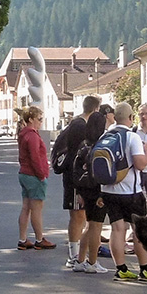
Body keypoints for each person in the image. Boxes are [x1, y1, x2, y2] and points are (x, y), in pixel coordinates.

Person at [100, 102, 147, 282]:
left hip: (109, 190)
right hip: (130, 191)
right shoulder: (131, 137)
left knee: (117, 229)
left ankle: (121, 269)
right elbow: (141, 165)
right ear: (131, 118)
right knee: (139, 230)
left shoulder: (105, 135)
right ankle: (145, 268)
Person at [62, 96, 101, 268]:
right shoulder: (80, 126)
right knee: (77, 215)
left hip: (74, 176)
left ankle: (77, 254)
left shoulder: (76, 122)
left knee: (80, 215)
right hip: (75, 177)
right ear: (95, 109)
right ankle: (73, 255)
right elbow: (79, 154)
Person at [71, 110, 110, 274]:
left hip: (84, 188)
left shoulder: (83, 145)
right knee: (96, 226)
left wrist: (79, 191)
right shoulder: (100, 145)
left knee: (89, 225)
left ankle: (80, 260)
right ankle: (92, 262)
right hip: (97, 189)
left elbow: (76, 169)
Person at [16, 106, 55, 250]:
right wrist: (42, 175)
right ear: (30, 119)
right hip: (33, 175)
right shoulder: (32, 135)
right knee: (36, 209)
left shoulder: (23, 133)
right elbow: (35, 158)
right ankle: (39, 239)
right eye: (39, 119)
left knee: (26, 207)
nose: (41, 122)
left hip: (24, 173)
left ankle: (22, 239)